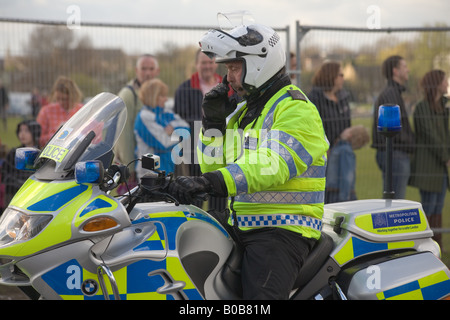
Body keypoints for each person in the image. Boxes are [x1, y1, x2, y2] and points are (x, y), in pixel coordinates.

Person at [169, 22, 328, 299]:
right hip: (242, 223)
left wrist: (210, 182)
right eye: (227, 69)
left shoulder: (295, 109)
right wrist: (212, 125)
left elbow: (271, 164)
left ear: (258, 64)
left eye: (233, 68)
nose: (227, 77)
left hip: (282, 231)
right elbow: (215, 166)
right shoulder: (247, 113)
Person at [174, 49, 228, 210]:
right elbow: (180, 120)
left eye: (210, 62)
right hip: (195, 148)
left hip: (222, 147)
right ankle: (193, 222)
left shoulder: (226, 87)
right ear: (197, 64)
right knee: (194, 190)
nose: (207, 66)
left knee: (219, 187)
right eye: (203, 62)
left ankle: (219, 224)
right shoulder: (184, 89)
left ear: (215, 64)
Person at [409, 70, 449, 248]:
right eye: (445, 79)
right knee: (429, 207)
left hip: (441, 166)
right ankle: (423, 246)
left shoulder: (444, 106)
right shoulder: (421, 107)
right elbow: (429, 135)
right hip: (429, 166)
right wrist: (445, 157)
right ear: (436, 83)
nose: (447, 82)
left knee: (438, 207)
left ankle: (436, 246)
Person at [371, 55, 414, 199]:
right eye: (404, 66)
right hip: (394, 154)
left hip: (395, 153)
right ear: (395, 71)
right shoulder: (390, 94)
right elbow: (393, 130)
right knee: (394, 204)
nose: (408, 70)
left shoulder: (394, 92)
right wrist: (411, 143)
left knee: (394, 201)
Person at [114, 54, 160, 178]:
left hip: (151, 160)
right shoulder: (128, 94)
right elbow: (124, 133)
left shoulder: (157, 93)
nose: (148, 73)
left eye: (151, 69)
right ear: (136, 71)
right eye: (144, 69)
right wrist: (129, 167)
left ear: (157, 71)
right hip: (134, 164)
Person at [134, 79, 189, 179]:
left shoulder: (164, 112)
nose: (166, 99)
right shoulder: (144, 117)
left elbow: (186, 129)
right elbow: (164, 143)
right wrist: (178, 136)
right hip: (150, 174)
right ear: (153, 97)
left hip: (167, 170)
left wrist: (172, 132)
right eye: (163, 96)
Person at [309, 61, 351, 150]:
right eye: (341, 75)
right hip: (324, 150)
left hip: (343, 147)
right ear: (331, 75)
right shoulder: (315, 98)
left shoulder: (343, 97)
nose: (343, 78)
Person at [325, 125, 369, 203]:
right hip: (333, 192)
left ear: (350, 135)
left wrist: (344, 199)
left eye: (349, 129)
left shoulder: (345, 150)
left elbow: (347, 177)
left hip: (338, 195)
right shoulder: (339, 147)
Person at [1, 120, 41, 207]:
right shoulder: (13, 153)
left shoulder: (41, 154)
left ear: (35, 132)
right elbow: (5, 174)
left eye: (26, 130)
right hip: (13, 194)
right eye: (20, 130)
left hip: (34, 193)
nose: (22, 134)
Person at [36, 76, 83, 148]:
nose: (60, 102)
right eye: (58, 98)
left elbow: (94, 137)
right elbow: (37, 139)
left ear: (73, 97)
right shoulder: (46, 111)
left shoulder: (82, 110)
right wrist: (56, 135)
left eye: (64, 99)